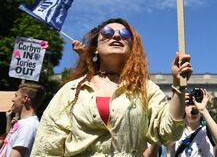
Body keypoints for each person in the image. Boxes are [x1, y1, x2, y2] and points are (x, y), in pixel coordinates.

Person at [31, 18, 192, 156]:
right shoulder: (72, 90)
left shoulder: (145, 89)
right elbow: (47, 145)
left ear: (132, 48)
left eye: (124, 34)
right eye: (107, 32)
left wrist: (178, 86)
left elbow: (170, 132)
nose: (116, 35)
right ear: (95, 47)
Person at [169, 89, 217, 157]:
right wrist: (178, 105)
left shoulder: (210, 130)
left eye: (195, 103)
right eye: (189, 104)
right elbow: (167, 142)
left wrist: (203, 110)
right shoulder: (177, 131)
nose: (193, 107)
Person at [0, 83, 45, 157]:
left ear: (25, 99)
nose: (12, 99)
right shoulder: (23, 123)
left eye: (16, 96)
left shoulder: (28, 126)